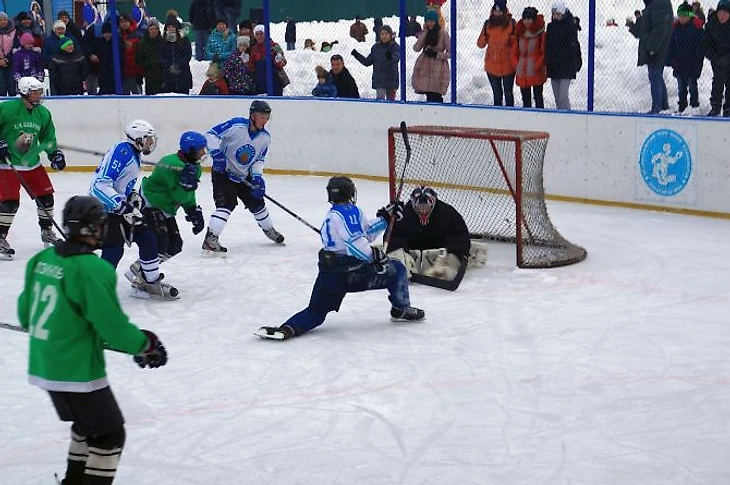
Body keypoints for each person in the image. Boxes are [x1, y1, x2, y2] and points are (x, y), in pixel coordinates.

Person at [17, 195, 167, 485]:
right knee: (110, 434)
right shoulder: (92, 269)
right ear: (93, 228)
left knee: (88, 427)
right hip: (77, 372)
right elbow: (111, 327)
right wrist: (144, 344)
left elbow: (26, 316)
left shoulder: (42, 259)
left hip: (44, 366)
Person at [255, 176, 424, 340]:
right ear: (350, 192)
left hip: (330, 274)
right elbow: (355, 244)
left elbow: (365, 233)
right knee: (397, 270)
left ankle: (287, 329)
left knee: (316, 312)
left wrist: (385, 218)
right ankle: (401, 309)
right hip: (353, 273)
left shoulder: (336, 214)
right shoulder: (348, 212)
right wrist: (375, 256)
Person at [89, 119, 178, 299]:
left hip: (119, 208)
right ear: (136, 138)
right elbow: (99, 186)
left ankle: (149, 282)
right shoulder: (122, 152)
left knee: (147, 237)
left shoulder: (133, 153)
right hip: (105, 210)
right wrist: (121, 205)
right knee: (114, 249)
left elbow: (120, 184)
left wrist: (132, 196)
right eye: (147, 139)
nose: (151, 143)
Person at [125, 131, 206, 289]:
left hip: (166, 207)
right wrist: (185, 184)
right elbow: (178, 195)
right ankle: (146, 278)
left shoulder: (195, 168)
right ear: (190, 150)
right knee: (160, 242)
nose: (204, 152)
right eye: (200, 149)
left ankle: (141, 268)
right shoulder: (169, 163)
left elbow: (188, 195)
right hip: (150, 202)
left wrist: (192, 210)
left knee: (175, 245)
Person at [203, 100, 285, 255]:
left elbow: (259, 160)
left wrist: (257, 178)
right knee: (227, 204)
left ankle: (269, 230)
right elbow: (210, 135)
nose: (265, 120)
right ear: (253, 115)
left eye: (267, 117)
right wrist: (218, 156)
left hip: (243, 174)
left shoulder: (265, 138)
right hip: (223, 174)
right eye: (262, 116)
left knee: (257, 203)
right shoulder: (236, 126)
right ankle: (211, 238)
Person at [0, 77, 66, 260]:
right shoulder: (6, 109)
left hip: (32, 163)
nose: (38, 96)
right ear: (24, 93)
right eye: (35, 93)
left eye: (39, 92)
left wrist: (55, 154)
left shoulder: (43, 113)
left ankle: (47, 232)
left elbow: (48, 137)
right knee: (10, 202)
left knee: (46, 198)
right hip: (7, 163)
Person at [388, 186, 475, 290]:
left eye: (426, 206)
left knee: (452, 261)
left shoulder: (448, 213)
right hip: (414, 247)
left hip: (440, 248)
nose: (423, 210)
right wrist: (401, 253)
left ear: (433, 203)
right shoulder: (403, 214)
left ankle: (445, 266)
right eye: (420, 207)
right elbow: (395, 235)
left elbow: (459, 234)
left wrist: (455, 253)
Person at [629, 0, 673, 114]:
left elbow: (660, 30)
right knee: (656, 75)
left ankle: (657, 107)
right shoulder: (653, 6)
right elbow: (643, 31)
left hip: (656, 49)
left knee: (655, 75)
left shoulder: (659, 5)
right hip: (654, 48)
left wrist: (652, 48)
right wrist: (632, 26)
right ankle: (662, 105)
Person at [666, 2, 704, 113]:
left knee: (692, 86)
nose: (682, 18)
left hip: (692, 65)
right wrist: (670, 60)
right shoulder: (675, 28)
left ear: (690, 15)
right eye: (680, 16)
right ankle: (682, 106)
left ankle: (694, 107)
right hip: (679, 64)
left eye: (684, 16)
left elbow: (699, 51)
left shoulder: (696, 29)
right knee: (681, 88)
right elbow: (671, 45)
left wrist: (697, 67)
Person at [477, 0, 517, 106]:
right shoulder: (488, 24)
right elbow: (480, 44)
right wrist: (485, 36)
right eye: (495, 10)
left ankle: (510, 116)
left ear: (504, 11)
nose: (497, 13)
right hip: (492, 67)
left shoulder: (511, 24)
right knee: (497, 95)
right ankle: (497, 119)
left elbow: (517, 43)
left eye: (499, 11)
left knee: (508, 94)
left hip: (508, 66)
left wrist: (512, 40)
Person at [545, 0, 582, 110]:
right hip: (554, 66)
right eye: (554, 14)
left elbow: (571, 47)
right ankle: (560, 117)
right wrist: (549, 61)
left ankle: (568, 117)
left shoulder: (570, 26)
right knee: (557, 96)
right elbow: (548, 45)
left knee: (563, 96)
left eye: (557, 14)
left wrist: (563, 60)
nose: (555, 16)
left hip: (566, 66)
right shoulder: (551, 26)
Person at [352, 25, 400, 100]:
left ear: (390, 35)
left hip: (391, 81)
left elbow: (396, 58)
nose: (384, 36)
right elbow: (367, 62)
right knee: (380, 102)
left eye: (386, 34)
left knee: (391, 103)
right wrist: (357, 55)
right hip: (379, 81)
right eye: (382, 34)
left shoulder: (394, 46)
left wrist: (390, 57)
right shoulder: (376, 47)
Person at [412, 9, 451, 103]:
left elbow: (451, 53)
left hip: (438, 68)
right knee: (429, 94)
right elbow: (416, 48)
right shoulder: (425, 33)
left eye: (432, 21)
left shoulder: (443, 33)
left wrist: (437, 55)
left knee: (436, 95)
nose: (429, 23)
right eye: (427, 21)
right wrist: (425, 33)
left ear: (436, 21)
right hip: (425, 66)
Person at [513, 6, 547, 108]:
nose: (527, 21)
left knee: (538, 97)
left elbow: (543, 52)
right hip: (522, 70)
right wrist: (516, 64)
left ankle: (540, 119)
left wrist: (537, 65)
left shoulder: (541, 34)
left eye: (529, 19)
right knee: (525, 99)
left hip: (536, 70)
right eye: (525, 19)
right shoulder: (519, 32)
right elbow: (514, 50)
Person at [704, 0, 730, 116]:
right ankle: (715, 107)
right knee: (717, 82)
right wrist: (716, 58)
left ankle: (728, 108)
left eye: (725, 13)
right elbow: (705, 46)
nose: (722, 15)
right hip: (717, 60)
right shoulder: (711, 25)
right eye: (720, 12)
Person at [0, 11, 16, 97]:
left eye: (4, 19)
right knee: (1, 87)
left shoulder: (14, 31)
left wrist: (7, 59)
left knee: (11, 87)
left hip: (11, 62)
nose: (3, 22)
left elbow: (16, 46)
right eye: (0, 20)